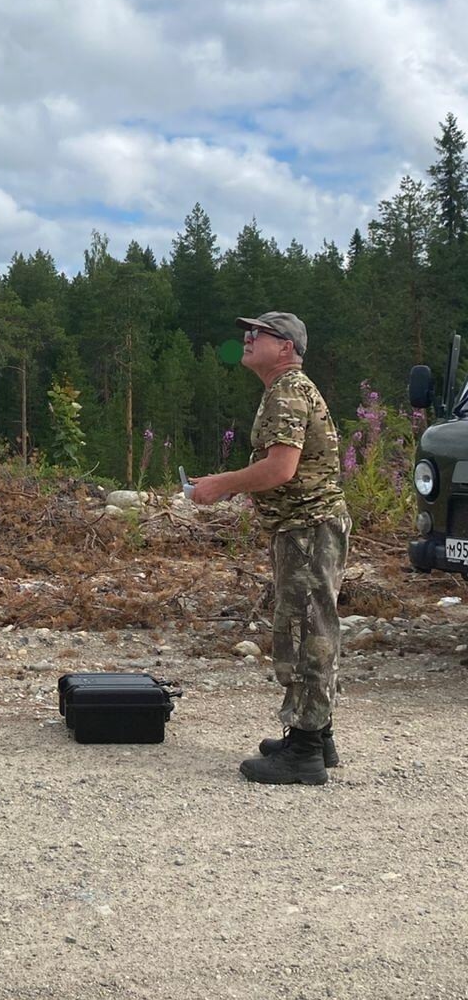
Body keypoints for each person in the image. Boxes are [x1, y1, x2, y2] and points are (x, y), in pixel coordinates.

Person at [189, 312, 351, 785]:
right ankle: (316, 735)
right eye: (247, 331)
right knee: (312, 625)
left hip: (307, 527)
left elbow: (281, 469)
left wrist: (222, 485)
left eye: (257, 333)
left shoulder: (287, 392)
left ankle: (304, 752)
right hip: (304, 527)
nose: (247, 337)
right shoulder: (285, 390)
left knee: (304, 632)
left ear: (285, 347)